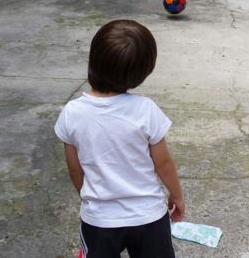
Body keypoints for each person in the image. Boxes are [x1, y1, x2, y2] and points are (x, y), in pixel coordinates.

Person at [54, 19, 185, 258]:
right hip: (148, 217)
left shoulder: (72, 113)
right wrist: (176, 194)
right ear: (142, 73)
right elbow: (163, 164)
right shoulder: (146, 109)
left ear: (92, 60)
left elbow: (75, 169)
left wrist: (90, 199)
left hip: (99, 221)